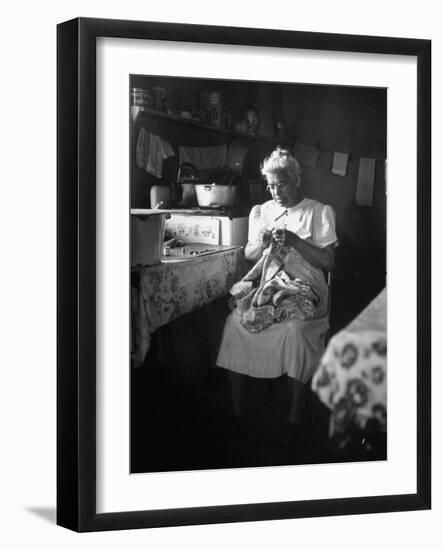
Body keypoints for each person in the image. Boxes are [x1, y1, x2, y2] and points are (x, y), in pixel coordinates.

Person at [216, 147, 338, 431]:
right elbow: (250, 254)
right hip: (269, 284)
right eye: (270, 186)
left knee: (295, 329)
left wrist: (295, 241)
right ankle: (236, 410)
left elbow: (329, 262)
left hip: (306, 287)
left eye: (281, 184)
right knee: (234, 323)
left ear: (296, 180)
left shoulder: (317, 212)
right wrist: (263, 241)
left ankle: (295, 412)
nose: (275, 192)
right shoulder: (262, 212)